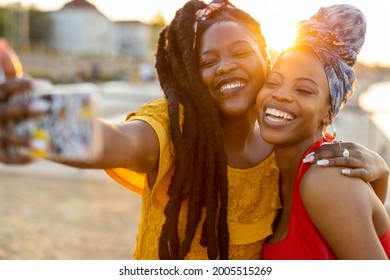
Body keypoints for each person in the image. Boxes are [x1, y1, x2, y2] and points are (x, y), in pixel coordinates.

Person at [0, 0, 388, 260]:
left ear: (265, 61)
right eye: (208, 61)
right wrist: (33, 120)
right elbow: (117, 141)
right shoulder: (176, 129)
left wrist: (380, 171)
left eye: (240, 53)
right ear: (191, 75)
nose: (225, 67)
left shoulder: (285, 159)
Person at [257, 4, 390, 259]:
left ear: (328, 113)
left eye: (304, 90)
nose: (281, 95)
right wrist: (382, 174)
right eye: (273, 82)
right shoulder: (274, 174)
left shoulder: (324, 181)